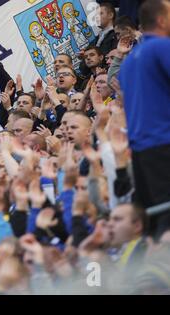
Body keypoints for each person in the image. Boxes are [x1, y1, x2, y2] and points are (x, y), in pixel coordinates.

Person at [117, 0, 170, 238]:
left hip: (141, 153)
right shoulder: (161, 47)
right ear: (162, 19)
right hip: (163, 145)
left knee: (157, 226)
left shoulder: (128, 62)